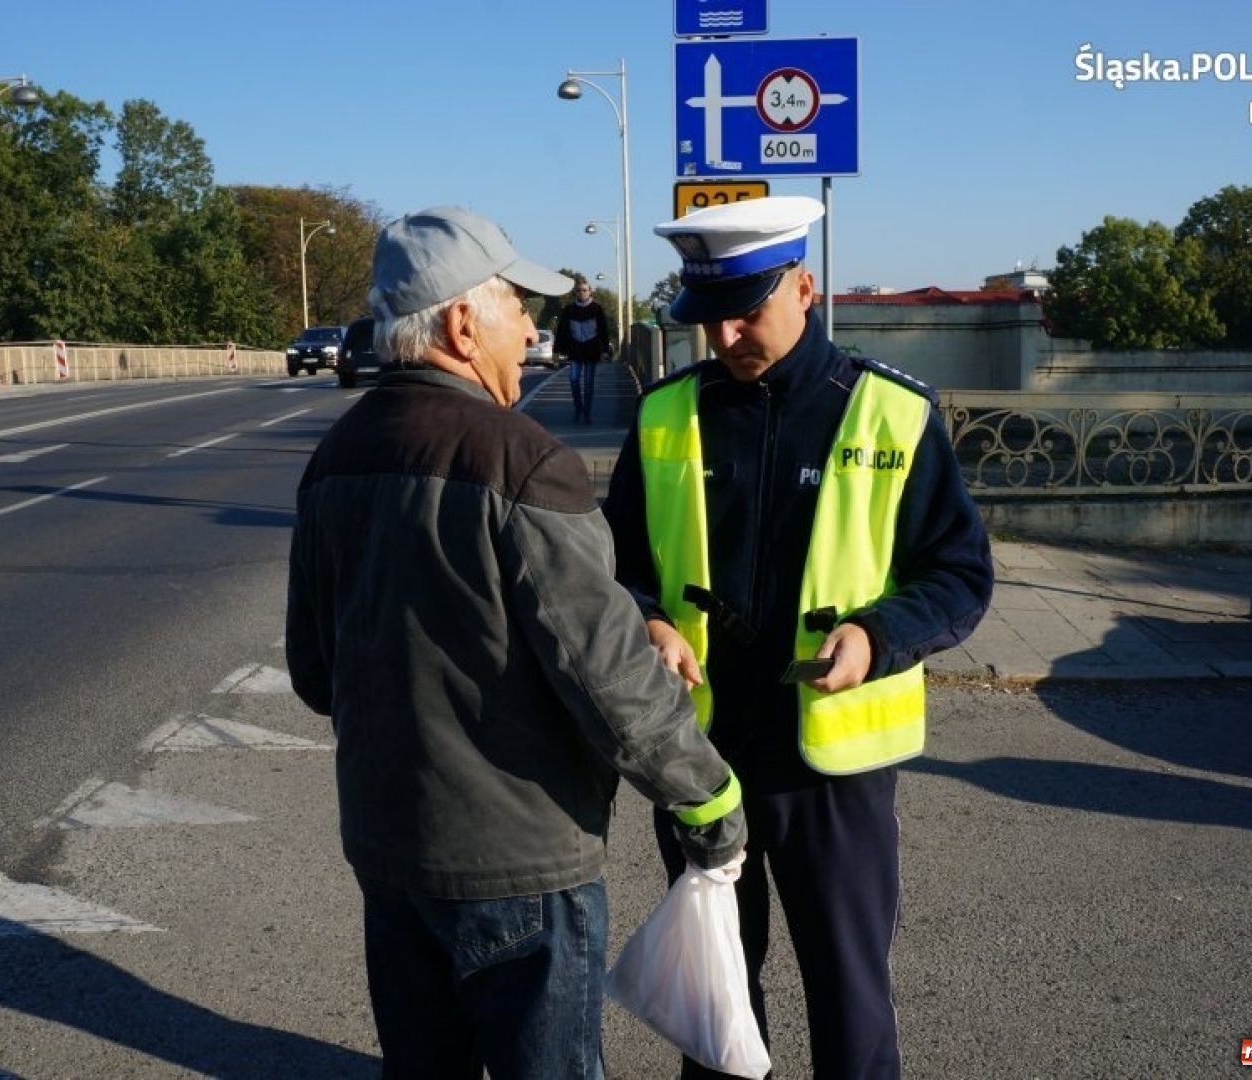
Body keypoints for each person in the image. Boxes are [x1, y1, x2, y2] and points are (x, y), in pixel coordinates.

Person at [285, 205, 747, 1080]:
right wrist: (707, 799)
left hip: (389, 847)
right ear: (463, 322)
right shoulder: (522, 459)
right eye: (514, 305)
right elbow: (606, 674)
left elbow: (315, 671)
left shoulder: (336, 454)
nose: (532, 327)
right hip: (522, 861)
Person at [601, 196, 994, 1079]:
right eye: (710, 319)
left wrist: (876, 634)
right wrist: (652, 617)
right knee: (716, 1001)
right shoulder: (667, 414)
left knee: (851, 1003)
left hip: (833, 772)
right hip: (698, 757)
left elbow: (961, 574)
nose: (728, 335)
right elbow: (613, 568)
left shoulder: (893, 412)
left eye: (749, 310)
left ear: (806, 286)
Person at [552, 277, 611, 423]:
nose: (581, 293)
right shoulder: (569, 309)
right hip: (575, 351)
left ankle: (587, 411)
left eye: (584, 290)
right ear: (575, 293)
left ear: (590, 292)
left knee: (589, 382)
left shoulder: (597, 309)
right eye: (578, 290)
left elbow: (603, 330)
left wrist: (605, 349)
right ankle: (578, 407)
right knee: (573, 380)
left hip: (591, 351)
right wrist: (556, 350)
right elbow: (561, 330)